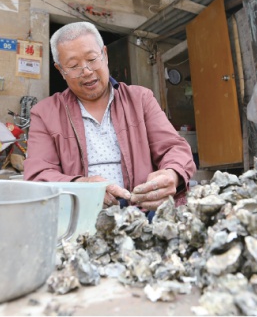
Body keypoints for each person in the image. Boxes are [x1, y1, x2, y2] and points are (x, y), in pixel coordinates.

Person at [23, 22, 196, 211]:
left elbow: (173, 148)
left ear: (104, 55)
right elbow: (38, 175)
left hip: (143, 212)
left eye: (92, 59)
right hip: (81, 215)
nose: (86, 71)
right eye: (73, 66)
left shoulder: (140, 99)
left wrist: (172, 173)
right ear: (61, 71)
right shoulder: (45, 113)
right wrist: (83, 185)